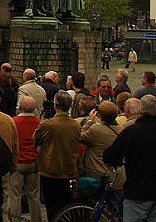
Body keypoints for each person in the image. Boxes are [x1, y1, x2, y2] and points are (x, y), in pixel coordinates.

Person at [33, 91, 80, 220]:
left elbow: (35, 140)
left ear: (56, 105)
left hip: (50, 170)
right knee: (67, 206)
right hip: (69, 169)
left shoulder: (47, 124)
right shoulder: (75, 124)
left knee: (51, 206)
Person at [9, 96, 42, 222]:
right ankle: (37, 219)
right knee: (34, 195)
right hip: (33, 161)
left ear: (20, 107)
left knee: (15, 195)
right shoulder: (39, 122)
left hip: (18, 161)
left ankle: (15, 219)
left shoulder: (13, 121)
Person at [80, 101, 125, 190]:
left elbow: (80, 136)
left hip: (99, 175)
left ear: (99, 115)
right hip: (117, 176)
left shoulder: (96, 130)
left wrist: (89, 121)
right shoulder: (122, 130)